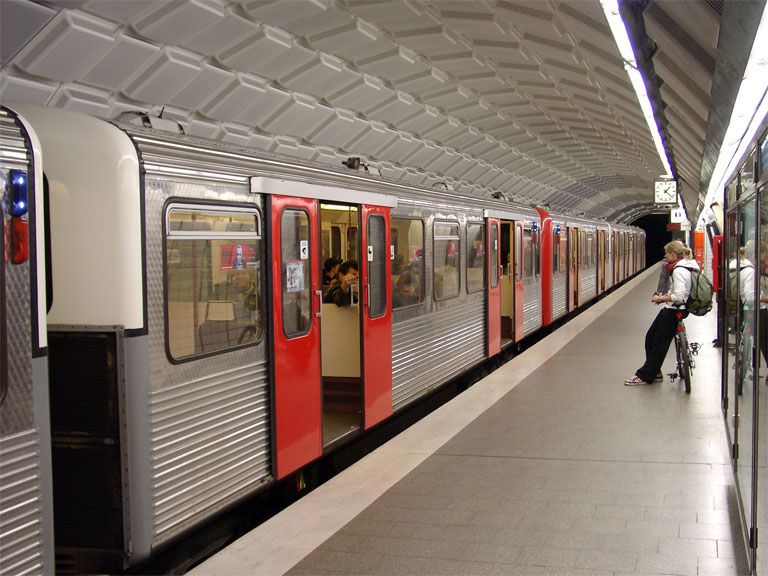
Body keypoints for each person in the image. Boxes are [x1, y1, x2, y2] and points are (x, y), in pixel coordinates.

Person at [625, 240, 699, 385]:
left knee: (659, 343)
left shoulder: (678, 270)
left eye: (667, 253)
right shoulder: (688, 265)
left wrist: (660, 297)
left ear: (673, 253)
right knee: (651, 337)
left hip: (675, 309)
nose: (665, 256)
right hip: (676, 308)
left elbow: (678, 295)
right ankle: (656, 371)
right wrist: (664, 298)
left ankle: (646, 375)